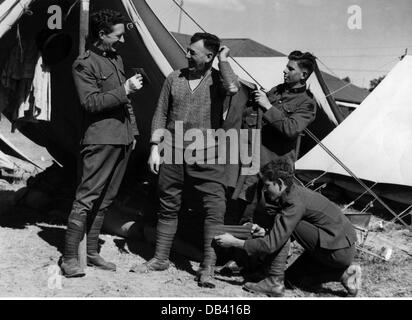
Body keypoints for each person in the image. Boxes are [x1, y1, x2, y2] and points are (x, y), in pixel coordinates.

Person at [129, 32, 240, 288]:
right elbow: (160, 113)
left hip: (207, 153)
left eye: (193, 51)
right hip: (174, 150)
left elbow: (233, 87)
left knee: (214, 209)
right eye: (188, 50)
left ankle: (208, 267)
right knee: (168, 203)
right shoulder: (174, 78)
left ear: (209, 56)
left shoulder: (218, 81)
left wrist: (223, 60)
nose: (187, 54)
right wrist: (155, 147)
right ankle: (160, 258)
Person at [61, 9, 143, 277]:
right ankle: (70, 257)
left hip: (123, 137)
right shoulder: (84, 64)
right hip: (99, 139)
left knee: (106, 199)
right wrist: (125, 90)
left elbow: (124, 102)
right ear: (102, 34)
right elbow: (91, 102)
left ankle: (92, 251)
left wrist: (134, 130)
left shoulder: (115, 58)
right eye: (117, 35)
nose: (121, 40)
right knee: (86, 198)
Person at [215, 159, 362, 297]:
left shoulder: (294, 203)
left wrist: (234, 242)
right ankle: (345, 274)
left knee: (284, 227)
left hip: (338, 250)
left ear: (279, 183)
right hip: (336, 246)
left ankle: (274, 282)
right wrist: (267, 232)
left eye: (267, 185)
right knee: (292, 279)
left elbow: (272, 244)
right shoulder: (293, 194)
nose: (265, 190)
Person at [233, 51, 318, 225]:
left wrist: (267, 105)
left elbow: (291, 128)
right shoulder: (277, 91)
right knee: (242, 210)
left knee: (265, 217)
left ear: (304, 75)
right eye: (286, 66)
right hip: (254, 162)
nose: (285, 71)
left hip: (276, 170)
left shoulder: (307, 103)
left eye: (290, 68)